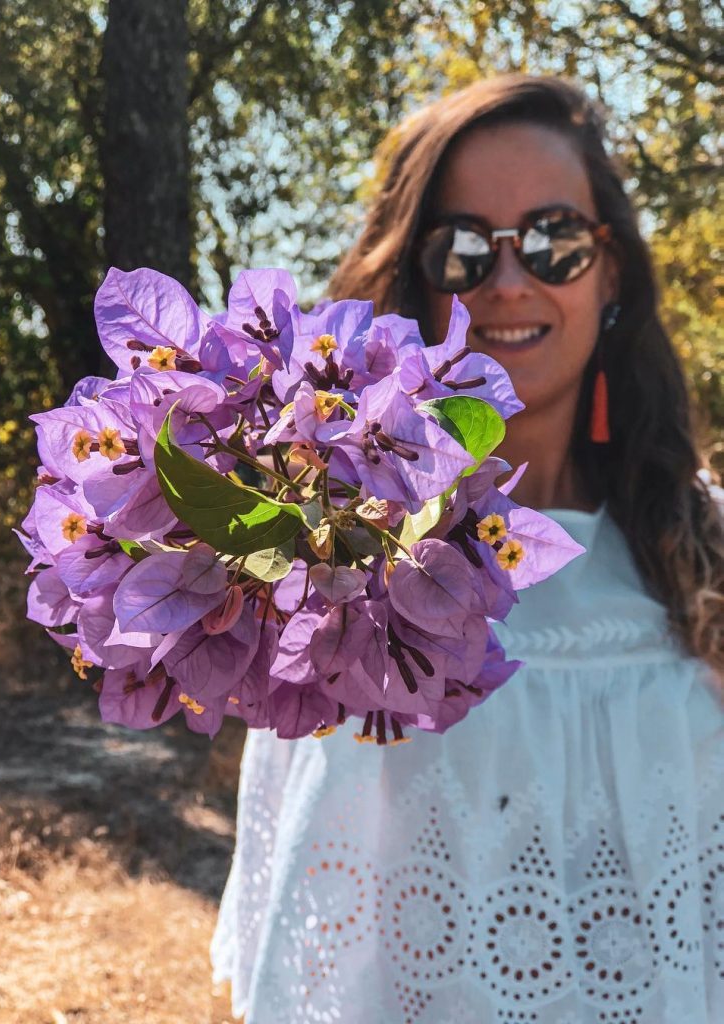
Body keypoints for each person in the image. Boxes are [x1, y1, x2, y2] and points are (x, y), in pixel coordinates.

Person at [210, 74, 724, 1023]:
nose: (508, 282)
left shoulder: (709, 556)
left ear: (610, 272)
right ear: (413, 274)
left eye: (554, 239)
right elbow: (313, 956)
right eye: (461, 249)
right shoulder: (340, 571)